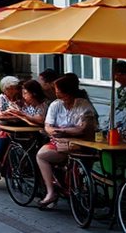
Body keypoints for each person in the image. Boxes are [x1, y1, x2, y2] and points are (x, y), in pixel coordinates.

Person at [37, 74, 98, 208]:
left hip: (80, 144)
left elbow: (83, 129)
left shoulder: (83, 105)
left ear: (67, 91)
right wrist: (56, 131)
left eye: (57, 89)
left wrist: (62, 131)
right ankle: (51, 190)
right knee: (42, 154)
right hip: (60, 143)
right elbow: (48, 126)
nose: (55, 91)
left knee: (41, 156)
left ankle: (51, 192)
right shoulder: (55, 105)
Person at [0, 76, 23, 159]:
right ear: (4, 89)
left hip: (17, 126)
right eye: (10, 88)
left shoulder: (19, 99)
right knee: (3, 142)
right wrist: (15, 116)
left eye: (15, 88)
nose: (13, 91)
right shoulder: (0, 98)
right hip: (3, 126)